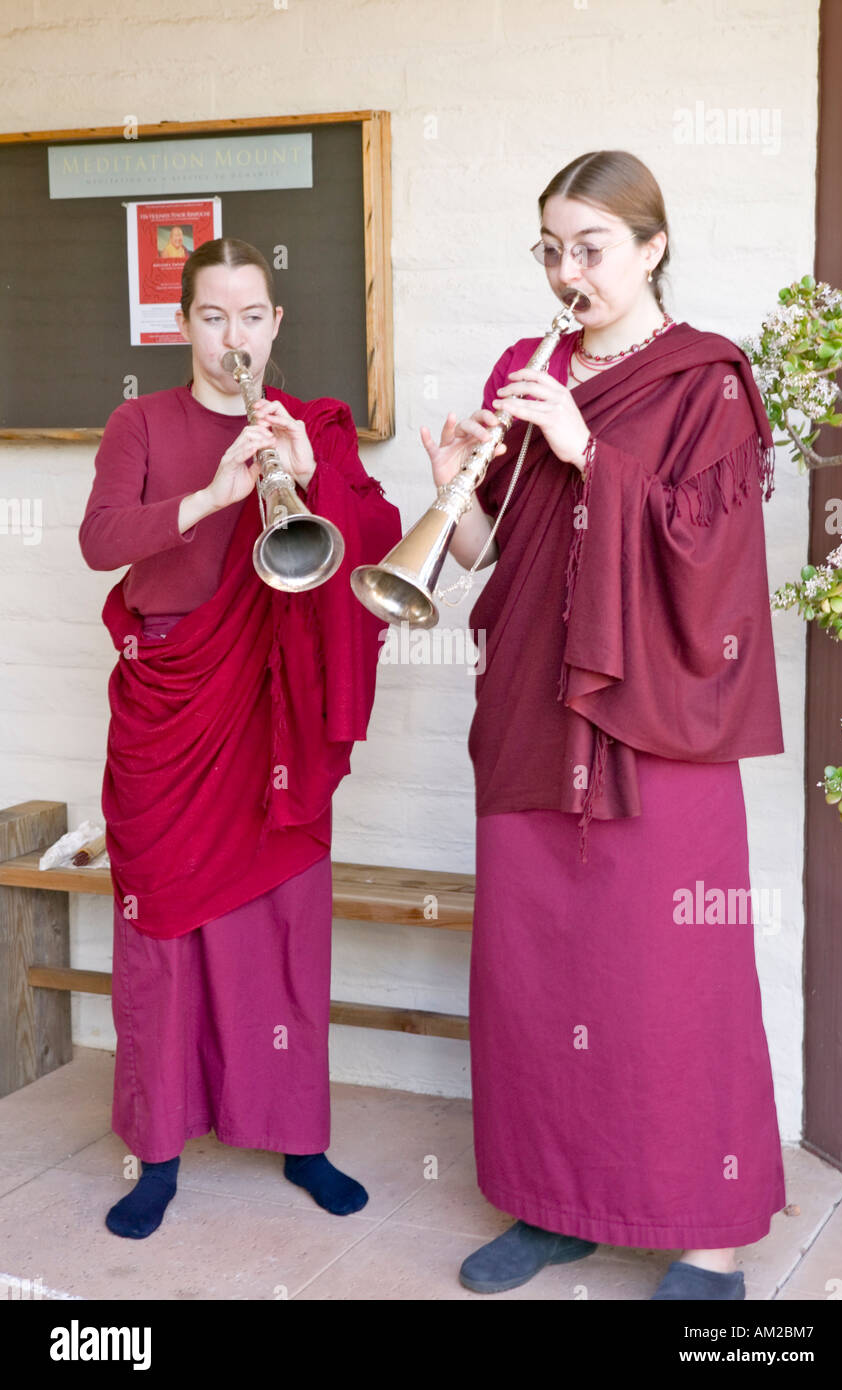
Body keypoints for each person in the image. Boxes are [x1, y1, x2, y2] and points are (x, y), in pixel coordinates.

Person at [420, 151, 786, 1301]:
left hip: (657, 724)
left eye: (592, 247)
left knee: (673, 979)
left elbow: (712, 567)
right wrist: (463, 495)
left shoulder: (706, 381)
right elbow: (502, 563)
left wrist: (590, 452)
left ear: (653, 247)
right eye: (550, 249)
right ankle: (551, 1202)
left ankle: (710, 1236)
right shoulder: (525, 368)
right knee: (540, 977)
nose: (568, 271)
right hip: (534, 713)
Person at [79, 236, 401, 1240]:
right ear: (184, 327)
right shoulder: (141, 421)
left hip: (276, 719)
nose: (233, 336)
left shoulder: (308, 425)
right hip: (170, 712)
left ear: (275, 324)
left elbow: (378, 544)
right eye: (212, 317)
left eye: (250, 316)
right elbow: (100, 542)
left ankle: (300, 1137)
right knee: (163, 929)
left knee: (283, 926)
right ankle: (159, 1151)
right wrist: (218, 493)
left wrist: (316, 477)